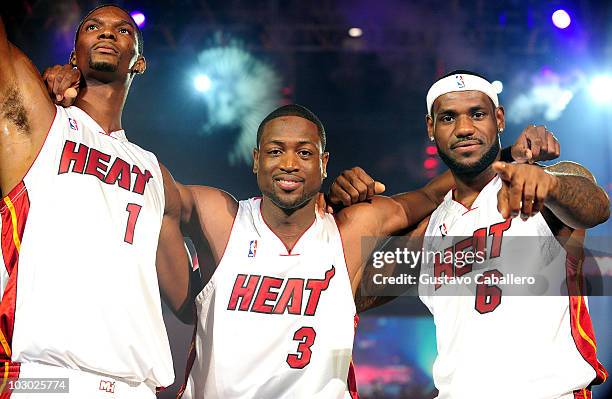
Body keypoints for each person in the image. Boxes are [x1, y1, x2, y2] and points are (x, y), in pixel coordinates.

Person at [330, 70, 609, 398]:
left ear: (499, 119)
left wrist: (552, 185)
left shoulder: (539, 187)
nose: (464, 128)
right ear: (431, 128)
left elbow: (597, 207)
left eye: (477, 114)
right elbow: (346, 296)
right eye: (448, 118)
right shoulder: (430, 228)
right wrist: (336, 211)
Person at [0, 5, 190, 397]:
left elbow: (189, 302)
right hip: (45, 380)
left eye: (122, 30)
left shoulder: (155, 174)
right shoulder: (42, 124)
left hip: (134, 387)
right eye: (92, 26)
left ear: (138, 62)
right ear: (74, 54)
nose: (106, 33)